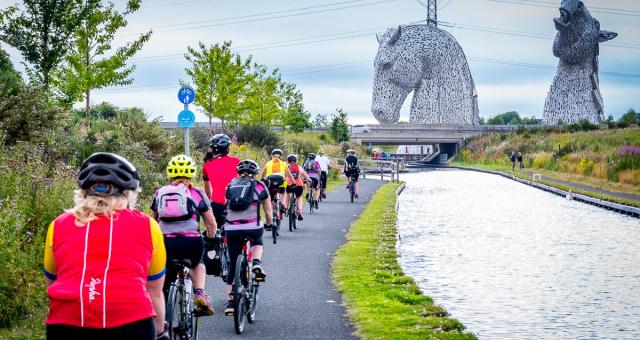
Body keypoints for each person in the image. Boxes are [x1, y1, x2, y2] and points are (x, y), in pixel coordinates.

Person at [43, 152, 168, 339]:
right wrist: (159, 330)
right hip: (132, 322)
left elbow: (52, 281)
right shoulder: (147, 225)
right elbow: (154, 291)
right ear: (129, 193)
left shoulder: (58, 224)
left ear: (83, 192)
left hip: (67, 323)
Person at [150, 155, 217, 316]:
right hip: (191, 242)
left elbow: (151, 221)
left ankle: (163, 319)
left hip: (166, 243)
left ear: (170, 175)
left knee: (164, 282)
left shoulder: (160, 193)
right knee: (198, 263)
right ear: (191, 175)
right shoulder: (197, 193)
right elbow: (211, 223)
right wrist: (210, 238)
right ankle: (200, 293)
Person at [224, 160, 273, 315]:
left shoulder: (230, 186)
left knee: (233, 264)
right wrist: (269, 223)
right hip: (253, 226)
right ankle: (257, 263)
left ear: (238, 173)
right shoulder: (260, 186)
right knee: (258, 241)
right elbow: (268, 210)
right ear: (255, 173)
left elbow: (226, 206)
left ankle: (231, 302)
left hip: (231, 228)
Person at [203, 134, 240, 229]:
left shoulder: (206, 165)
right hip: (235, 202)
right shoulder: (237, 162)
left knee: (216, 232)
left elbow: (207, 192)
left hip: (216, 204)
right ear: (227, 148)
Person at [260, 149, 295, 219]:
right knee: (284, 191)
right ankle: (282, 203)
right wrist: (294, 183)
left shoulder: (268, 163)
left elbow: (262, 176)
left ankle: (273, 208)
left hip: (270, 182)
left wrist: (262, 180)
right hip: (280, 182)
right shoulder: (283, 164)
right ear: (280, 156)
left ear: (272, 156)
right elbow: (290, 176)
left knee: (270, 197)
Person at [287, 154, 311, 220]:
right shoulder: (299, 167)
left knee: (287, 194)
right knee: (299, 197)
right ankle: (299, 211)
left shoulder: (286, 167)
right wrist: (309, 180)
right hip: (299, 185)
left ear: (288, 161)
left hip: (289, 184)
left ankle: (286, 208)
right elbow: (306, 176)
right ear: (295, 161)